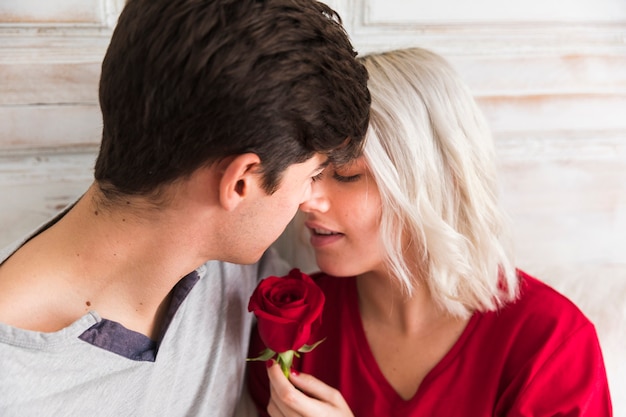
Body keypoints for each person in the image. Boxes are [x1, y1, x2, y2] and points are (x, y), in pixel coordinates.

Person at [0, 0, 370, 415]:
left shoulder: (233, 266)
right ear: (241, 182)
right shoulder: (15, 388)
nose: (309, 200)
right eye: (312, 176)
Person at [247, 47, 612, 416]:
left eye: (346, 175)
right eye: (310, 174)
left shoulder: (551, 345)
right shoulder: (288, 324)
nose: (307, 200)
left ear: (435, 179)